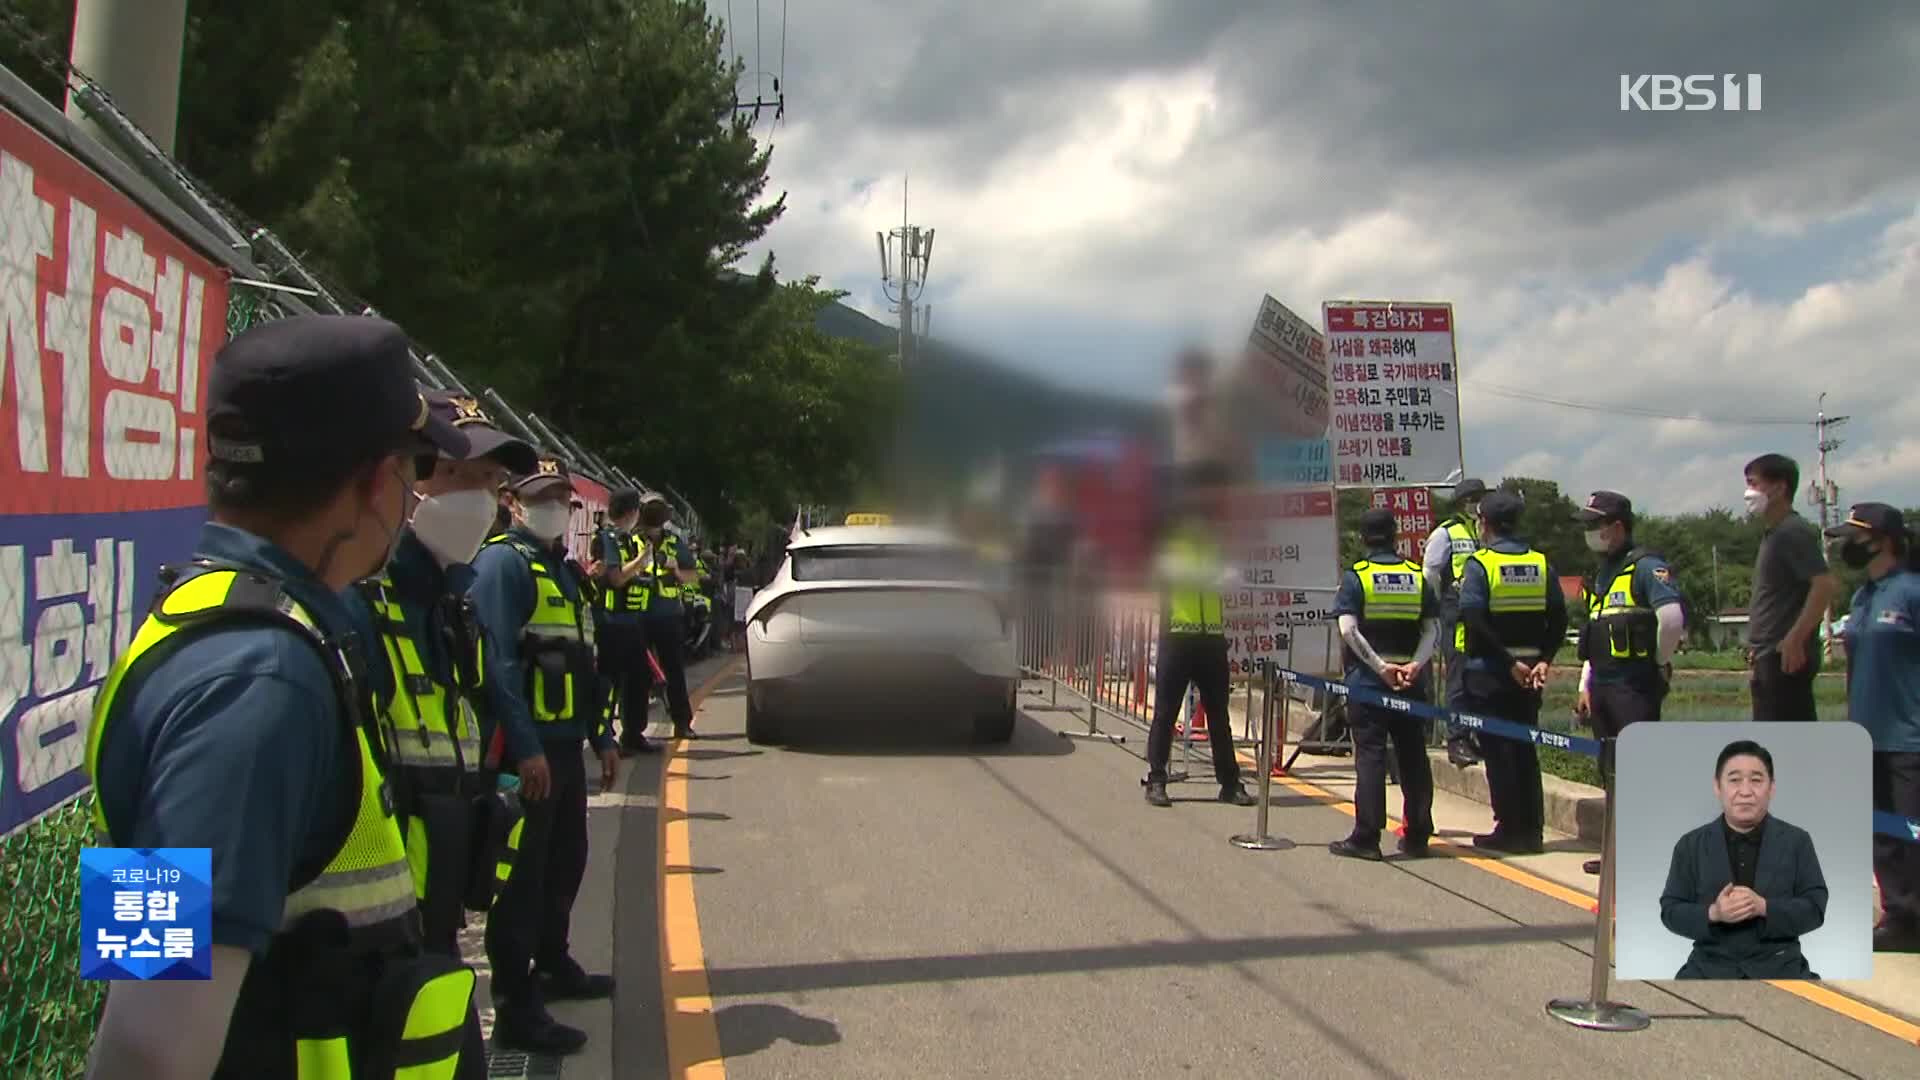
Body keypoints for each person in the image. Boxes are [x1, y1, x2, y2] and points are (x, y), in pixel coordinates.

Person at [82, 315, 477, 1079]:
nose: (413, 496)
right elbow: (149, 1042)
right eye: (413, 469)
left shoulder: (223, 623)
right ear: (372, 482)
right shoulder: (256, 683)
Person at [336, 390, 540, 1077]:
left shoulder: (446, 609)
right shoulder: (276, 644)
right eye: (455, 476)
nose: (481, 502)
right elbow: (148, 915)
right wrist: (160, 1040)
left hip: (418, 938)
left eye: (491, 485)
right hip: (331, 992)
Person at [469, 456, 621, 1055]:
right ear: (515, 503)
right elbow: (498, 663)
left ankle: (554, 964)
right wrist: (525, 748)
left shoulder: (562, 572)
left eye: (562, 498)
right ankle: (515, 1002)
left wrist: (602, 736)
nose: (554, 507)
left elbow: (584, 664)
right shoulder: (503, 566)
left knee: (565, 861)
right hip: (524, 754)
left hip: (564, 749)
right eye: (542, 497)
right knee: (521, 880)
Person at [1572, 490, 1687, 875]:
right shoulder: (1602, 575)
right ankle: (1619, 854)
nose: (1589, 533)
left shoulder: (1646, 567)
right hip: (1603, 687)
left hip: (1634, 688)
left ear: (1617, 527)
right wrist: (1584, 686)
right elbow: (1593, 637)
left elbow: (1671, 619)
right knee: (1613, 772)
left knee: (1640, 773)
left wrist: (1658, 663)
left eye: (1594, 525)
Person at [1827, 504, 1920, 952]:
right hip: (1868, 733)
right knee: (1882, 833)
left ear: (1882, 539)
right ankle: (1898, 915)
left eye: (1854, 536)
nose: (1846, 545)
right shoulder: (1863, 596)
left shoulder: (1911, 592)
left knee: (1912, 833)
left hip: (1910, 735)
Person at [1455, 489, 1567, 855]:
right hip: (1531, 674)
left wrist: (1508, 663)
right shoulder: (1540, 562)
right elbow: (1559, 619)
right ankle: (1532, 830)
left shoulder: (1480, 564)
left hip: (1492, 672)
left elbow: (1474, 619)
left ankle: (1509, 829)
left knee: (1499, 753)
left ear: (1484, 523)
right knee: (1524, 750)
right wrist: (1542, 661)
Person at [1659, 740, 1828, 979]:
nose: (1745, 791)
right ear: (1718, 787)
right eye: (1734, 780)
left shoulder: (1797, 841)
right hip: (1709, 968)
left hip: (1781, 968)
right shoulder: (1690, 845)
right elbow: (1670, 910)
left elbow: (1815, 908)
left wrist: (1764, 907)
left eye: (1756, 780)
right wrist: (1714, 913)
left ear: (1771, 788)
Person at [1143, 463, 1258, 809]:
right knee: (1166, 711)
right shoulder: (1167, 543)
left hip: (1211, 639)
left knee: (1219, 715)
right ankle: (1157, 779)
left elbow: (1231, 579)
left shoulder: (1215, 543)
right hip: (1178, 636)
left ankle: (1230, 783)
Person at [1328, 508, 1439, 860]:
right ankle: (1419, 833)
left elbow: (1347, 629)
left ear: (1363, 539)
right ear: (1396, 536)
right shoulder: (1417, 576)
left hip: (1369, 683)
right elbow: (1433, 629)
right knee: (1414, 758)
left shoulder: (1357, 577)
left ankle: (1367, 838)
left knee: (1371, 758)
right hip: (1411, 684)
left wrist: (1380, 667)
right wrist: (1413, 666)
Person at [1743, 453, 1837, 722]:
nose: (1748, 493)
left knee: (1786, 745)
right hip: (1767, 655)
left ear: (1780, 487)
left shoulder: (1791, 532)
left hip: (1783, 657)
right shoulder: (1773, 534)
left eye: (1754, 484)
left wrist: (1796, 637)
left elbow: (1824, 584)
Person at [592, 488, 662, 757]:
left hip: (632, 620)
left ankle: (633, 733)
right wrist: (640, 562)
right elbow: (616, 578)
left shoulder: (631, 539)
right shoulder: (608, 538)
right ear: (631, 512)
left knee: (639, 678)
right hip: (610, 622)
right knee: (609, 682)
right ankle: (605, 737)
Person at [1424, 478, 1488, 766]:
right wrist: (1436, 610)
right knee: (1459, 678)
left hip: (1483, 615)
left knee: (1481, 678)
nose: (1479, 503)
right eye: (1475, 498)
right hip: (1456, 614)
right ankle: (1457, 739)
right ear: (1464, 501)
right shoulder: (1446, 534)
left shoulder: (1485, 530)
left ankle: (1477, 735)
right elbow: (1430, 574)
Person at [635, 491, 701, 739]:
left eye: (658, 510)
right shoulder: (631, 541)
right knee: (638, 674)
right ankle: (634, 730)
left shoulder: (675, 543)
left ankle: (682, 723)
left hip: (669, 615)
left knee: (674, 670)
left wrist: (677, 572)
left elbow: (692, 580)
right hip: (638, 614)